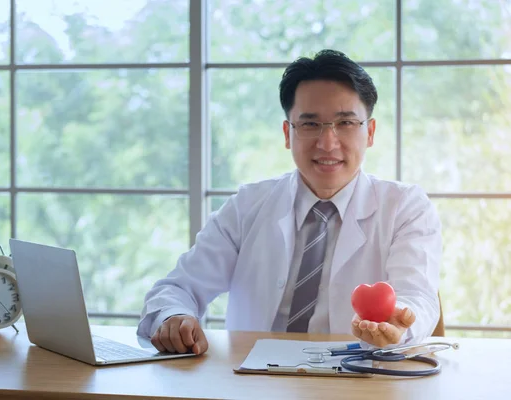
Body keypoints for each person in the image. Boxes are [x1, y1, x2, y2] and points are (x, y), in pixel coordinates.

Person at [137, 49, 441, 355]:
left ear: (370, 132)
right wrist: (174, 316)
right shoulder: (248, 205)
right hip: (252, 382)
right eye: (310, 125)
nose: (328, 143)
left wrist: (398, 324)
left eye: (346, 123)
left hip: (361, 379)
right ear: (287, 133)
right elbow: (177, 288)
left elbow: (417, 296)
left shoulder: (405, 207)